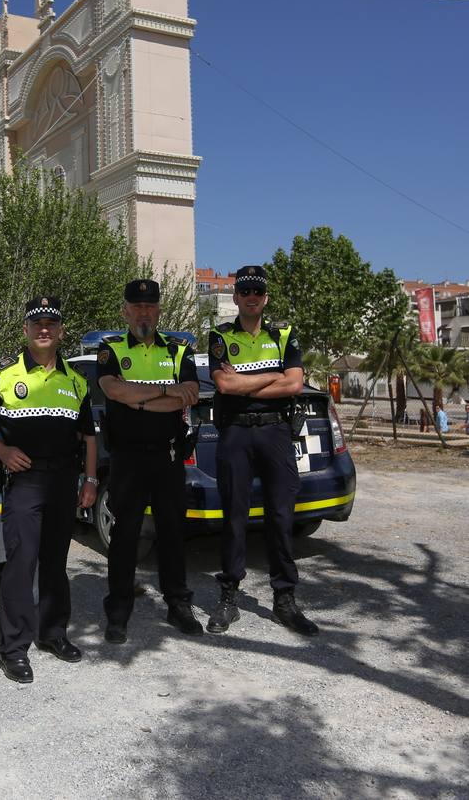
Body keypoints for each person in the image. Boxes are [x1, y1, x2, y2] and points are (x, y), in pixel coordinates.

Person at [0, 297, 98, 683]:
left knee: (56, 563)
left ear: (61, 331)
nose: (44, 328)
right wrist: (0, 449)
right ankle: (13, 647)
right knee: (21, 564)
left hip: (64, 482)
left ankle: (53, 634)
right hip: (25, 482)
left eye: (51, 323)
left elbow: (89, 436)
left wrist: (90, 480)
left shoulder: (76, 381)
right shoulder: (3, 374)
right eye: (36, 323)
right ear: (26, 330)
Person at [205, 265, 317, 637]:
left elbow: (295, 383)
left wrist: (246, 383)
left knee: (281, 517)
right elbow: (224, 385)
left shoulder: (284, 334)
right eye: (245, 291)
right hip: (235, 433)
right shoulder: (219, 336)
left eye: (258, 291)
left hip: (275, 433)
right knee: (234, 517)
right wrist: (274, 377)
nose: (251, 297)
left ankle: (284, 599)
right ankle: (228, 597)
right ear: (236, 297)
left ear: (265, 297)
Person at [97, 279, 202, 644]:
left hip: (168, 456)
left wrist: (138, 399)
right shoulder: (109, 349)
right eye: (136, 306)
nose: (143, 312)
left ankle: (178, 604)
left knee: (172, 532)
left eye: (150, 306)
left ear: (158, 311)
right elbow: (113, 390)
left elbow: (188, 395)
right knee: (125, 535)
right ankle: (119, 608)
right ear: (126, 310)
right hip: (126, 458)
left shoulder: (179, 351)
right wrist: (162, 391)